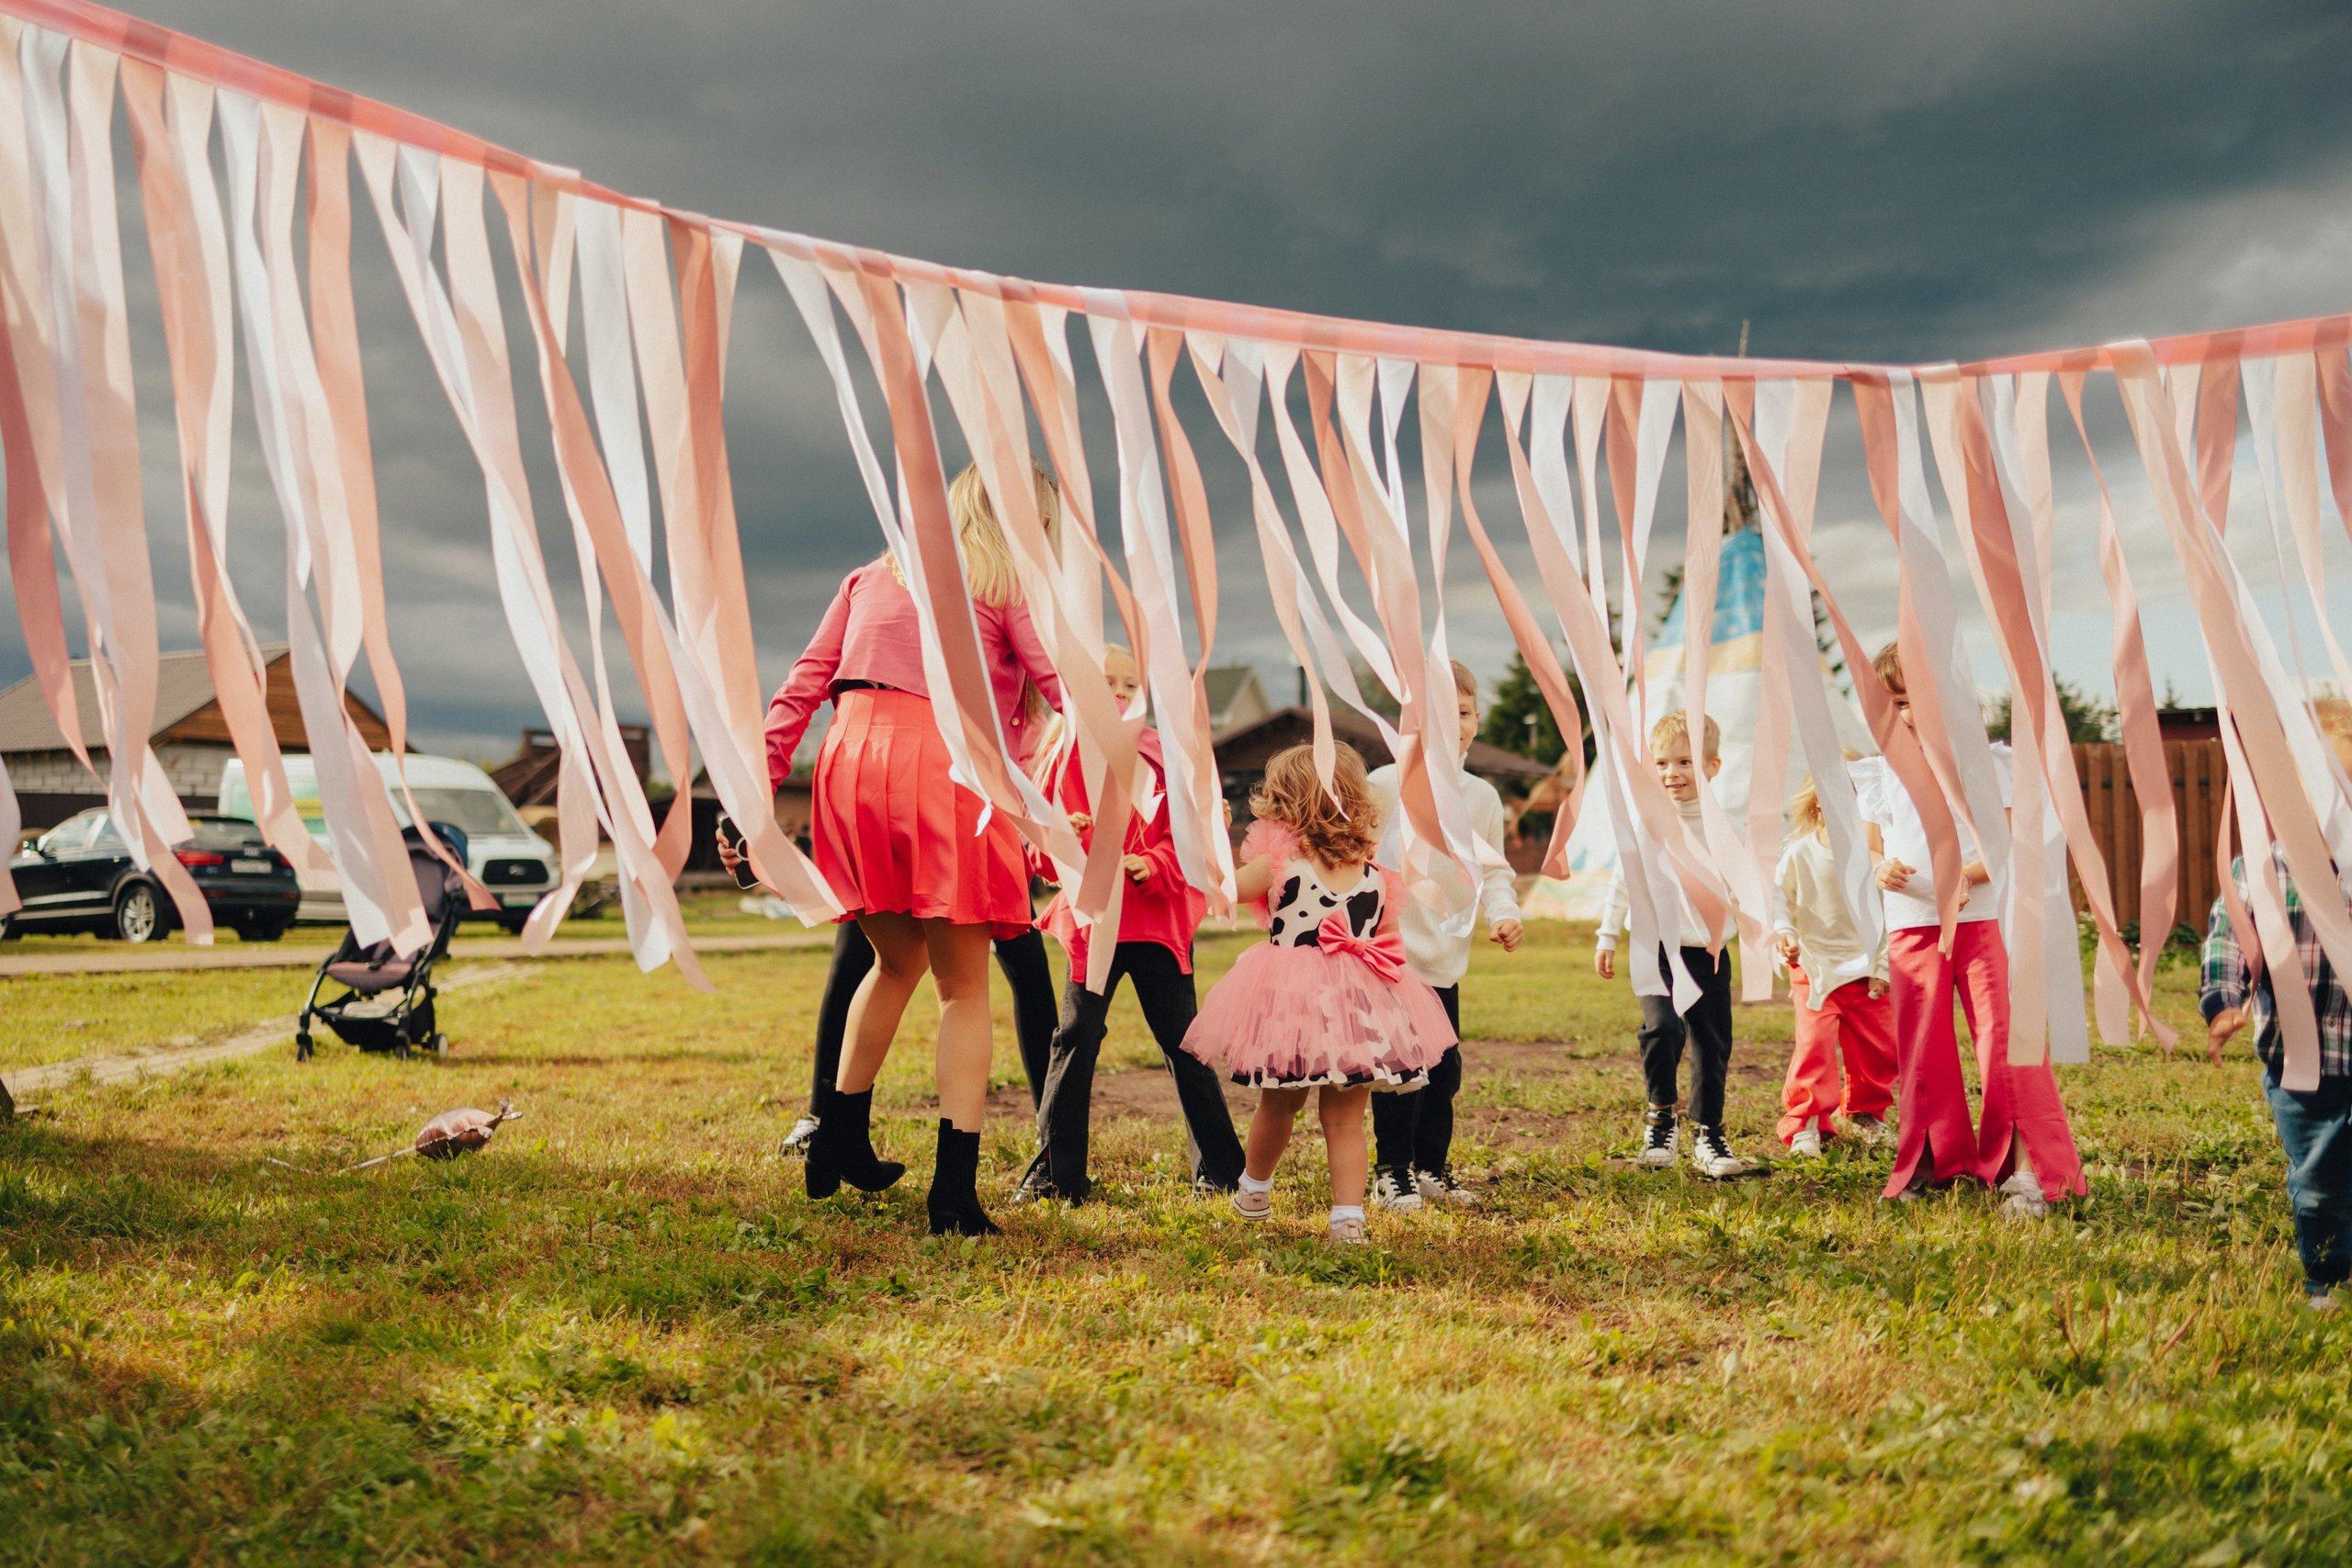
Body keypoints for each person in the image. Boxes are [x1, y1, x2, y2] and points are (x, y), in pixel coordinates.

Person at [729, 461, 1064, 1236]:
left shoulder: (870, 576)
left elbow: (801, 685)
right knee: (964, 989)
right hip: (940, 765)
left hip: (848, 767)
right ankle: (953, 1194)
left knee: (894, 960)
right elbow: (1063, 687)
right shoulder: (1001, 583)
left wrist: (756, 797)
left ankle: (837, 1134)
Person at [1181, 743, 1455, 1244]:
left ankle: (1254, 1189)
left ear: (1285, 804)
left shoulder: (1280, 864)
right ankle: (1348, 1218)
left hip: (1293, 1005)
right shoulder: (1376, 875)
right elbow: (1387, 943)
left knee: (1279, 1105)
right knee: (1346, 1118)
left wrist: (1209, 835)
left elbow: (1222, 887)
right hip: (1357, 1006)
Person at [1850, 640, 2082, 1218]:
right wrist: (1880, 866)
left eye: (1921, 700)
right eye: (1898, 703)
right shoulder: (1880, 774)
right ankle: (1929, 1160)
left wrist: (1965, 876)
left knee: (2004, 1041)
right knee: (1923, 1048)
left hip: (1980, 920)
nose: (1910, 714)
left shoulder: (1987, 763)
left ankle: (2028, 1170)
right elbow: (1873, 843)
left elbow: (2005, 842)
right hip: (1912, 926)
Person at [1013, 646, 1247, 1203]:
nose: (1118, 693)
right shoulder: (1059, 756)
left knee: (1183, 1043)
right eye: (1106, 682)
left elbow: (1189, 841)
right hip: (1093, 928)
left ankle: (1221, 1170)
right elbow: (1038, 858)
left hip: (1156, 927)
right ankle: (1055, 1173)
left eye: (1129, 684)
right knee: (1074, 1038)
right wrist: (1061, 840)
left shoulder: (1167, 758)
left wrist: (1156, 864)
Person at [2203, 698, 2352, 1313]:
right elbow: (2226, 940)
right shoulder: (2259, 873)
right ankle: (2329, 1280)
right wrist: (2223, 1001)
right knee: (2319, 1182)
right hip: (2301, 1064)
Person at [1364, 660, 1523, 1212]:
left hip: (1444, 959)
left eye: (1461, 711)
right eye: (1438, 713)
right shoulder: (1383, 785)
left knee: (1443, 1069)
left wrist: (1504, 913)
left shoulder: (1482, 798)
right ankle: (1391, 1171)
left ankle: (1432, 1166)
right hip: (1389, 956)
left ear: (1477, 717)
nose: (1453, 723)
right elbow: (1353, 859)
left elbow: (1495, 870)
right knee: (1398, 1069)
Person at [1593, 710, 1748, 1179]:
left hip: (1709, 951)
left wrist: (1774, 930)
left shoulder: (1726, 826)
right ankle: (1662, 1114)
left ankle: (1709, 1132)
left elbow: (1749, 884)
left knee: (1711, 1041)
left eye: (1684, 762)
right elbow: (1625, 879)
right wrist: (1607, 934)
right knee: (1662, 1029)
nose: (1671, 774)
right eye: (1661, 764)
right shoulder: (1647, 823)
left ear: (1713, 766)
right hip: (1656, 947)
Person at [777, 920, 1059, 1156]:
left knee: (1018, 962)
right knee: (875, 963)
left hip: (962, 857)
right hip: (901, 856)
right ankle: (823, 1123)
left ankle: (1052, 1128)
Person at [1770, 763, 1894, 1157]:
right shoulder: (1799, 854)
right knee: (1814, 1045)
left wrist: (1884, 966)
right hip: (1815, 967)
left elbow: (1895, 912)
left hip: (1867, 972)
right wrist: (1784, 933)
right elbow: (1777, 899)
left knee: (1880, 1049)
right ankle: (1806, 1121)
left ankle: (1862, 1112)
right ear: (1817, 804)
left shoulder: (1880, 860)